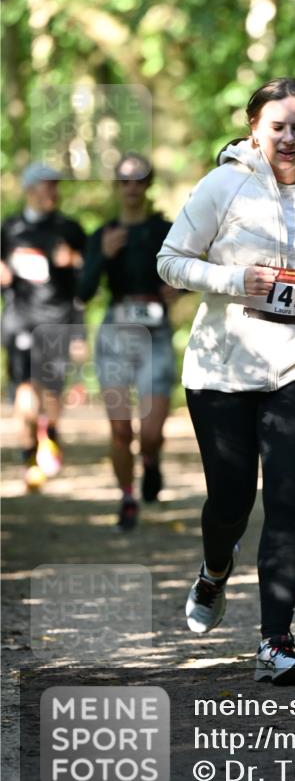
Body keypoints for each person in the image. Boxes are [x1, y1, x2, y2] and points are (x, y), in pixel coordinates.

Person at [157, 77, 295, 685]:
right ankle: (216, 568)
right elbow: (170, 261)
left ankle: (276, 642)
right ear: (254, 129)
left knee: (288, 499)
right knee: (232, 499)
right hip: (221, 366)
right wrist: (235, 280)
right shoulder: (223, 185)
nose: (289, 138)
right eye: (278, 127)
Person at [78, 153, 177, 530]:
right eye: (125, 180)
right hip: (116, 333)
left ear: (148, 184)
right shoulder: (101, 235)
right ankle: (127, 497)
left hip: (156, 334)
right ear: (117, 186)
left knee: (150, 433)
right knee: (121, 430)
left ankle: (151, 461)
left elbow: (188, 272)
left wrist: (178, 289)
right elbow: (84, 291)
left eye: (139, 180)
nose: (132, 187)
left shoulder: (165, 230)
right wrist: (102, 256)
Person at [1, 163, 87, 491]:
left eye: (55, 185)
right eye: (46, 185)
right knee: (25, 388)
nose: (53, 191)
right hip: (20, 319)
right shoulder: (10, 228)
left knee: (52, 390)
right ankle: (27, 454)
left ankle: (49, 434)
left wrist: (74, 261)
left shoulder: (69, 228)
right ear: (30, 189)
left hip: (59, 319)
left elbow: (88, 276)